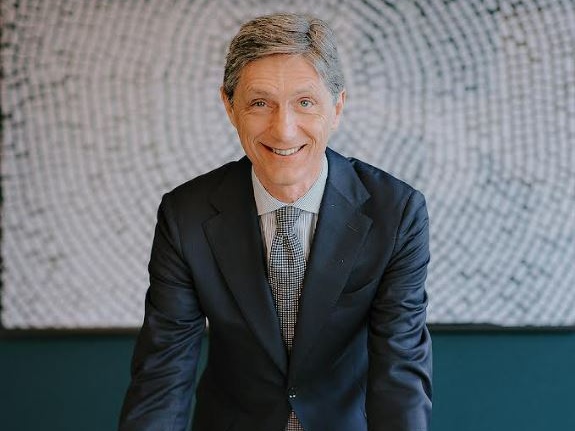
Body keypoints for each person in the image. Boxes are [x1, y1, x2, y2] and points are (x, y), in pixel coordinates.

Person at [119, 12, 432, 431]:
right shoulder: (185, 215)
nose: (283, 130)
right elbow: (164, 373)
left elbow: (400, 370)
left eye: (305, 102)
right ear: (230, 107)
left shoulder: (396, 212)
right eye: (259, 103)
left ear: (336, 108)